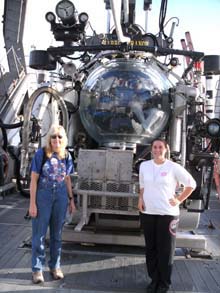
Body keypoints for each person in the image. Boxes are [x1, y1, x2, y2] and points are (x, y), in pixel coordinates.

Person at [138, 139, 196, 293]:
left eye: (160, 147)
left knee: (165, 250)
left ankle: (164, 283)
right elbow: (142, 185)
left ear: (166, 149)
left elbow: (192, 184)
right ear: (151, 149)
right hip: (148, 212)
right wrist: (140, 199)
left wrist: (178, 199)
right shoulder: (145, 166)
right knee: (151, 248)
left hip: (167, 214)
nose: (157, 150)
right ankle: (154, 280)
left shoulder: (173, 167)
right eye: (155, 147)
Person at [29, 124, 75, 284]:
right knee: (39, 235)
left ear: (64, 140)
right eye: (54, 136)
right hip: (44, 195)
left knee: (57, 235)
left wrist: (71, 199)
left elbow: (68, 178)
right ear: (49, 139)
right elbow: (33, 180)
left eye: (60, 137)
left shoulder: (67, 156)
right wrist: (32, 204)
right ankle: (37, 269)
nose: (56, 139)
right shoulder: (41, 154)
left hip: (61, 195)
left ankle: (55, 266)